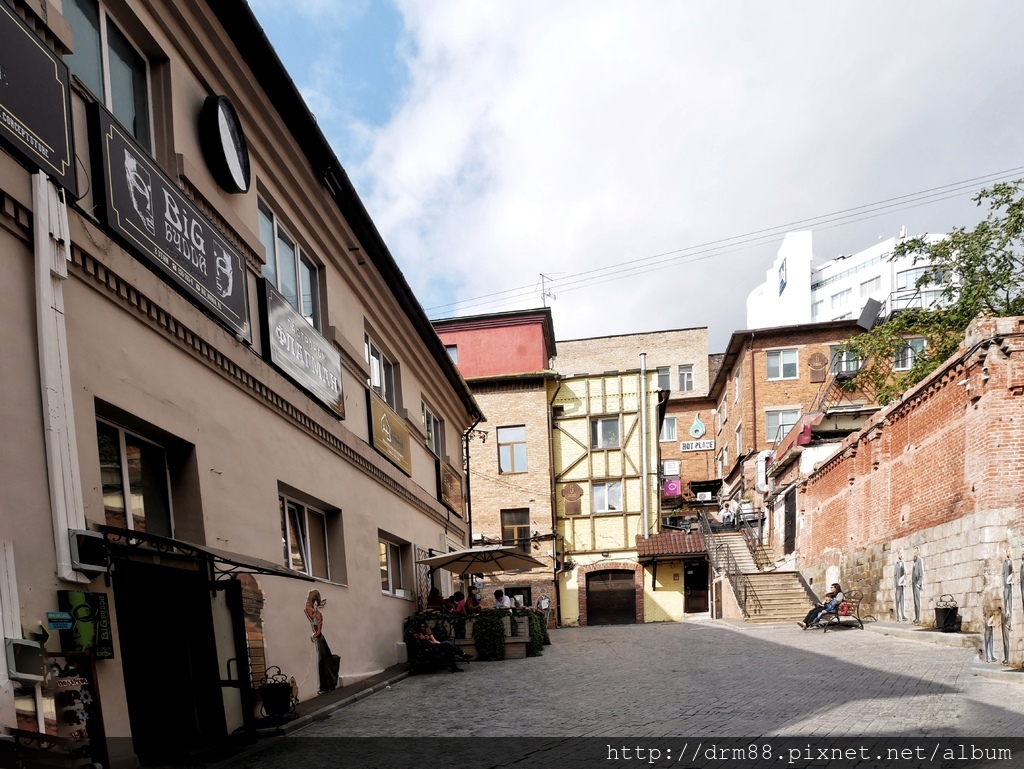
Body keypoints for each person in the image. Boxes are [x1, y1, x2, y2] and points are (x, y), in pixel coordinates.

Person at [305, 590, 340, 693]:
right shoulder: (313, 613)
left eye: (316, 604)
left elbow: (319, 629)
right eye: (314, 604)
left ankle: (325, 686)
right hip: (319, 638)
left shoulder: (319, 615)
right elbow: (307, 609)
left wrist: (314, 635)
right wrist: (309, 599)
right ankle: (325, 686)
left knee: (323, 662)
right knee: (322, 662)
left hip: (320, 638)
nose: (315, 606)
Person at [893, 548, 907, 622]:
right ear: (898, 554)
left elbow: (905, 572)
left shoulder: (903, 563)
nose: (901, 554)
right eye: (900, 553)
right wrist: (894, 586)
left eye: (902, 553)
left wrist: (905, 575)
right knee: (897, 601)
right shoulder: (896, 564)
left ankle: (903, 615)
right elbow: (894, 576)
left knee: (902, 600)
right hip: (897, 585)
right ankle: (898, 616)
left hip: (902, 585)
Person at [911, 546, 925, 625]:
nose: (914, 554)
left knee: (917, 601)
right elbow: (914, 572)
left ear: (918, 552)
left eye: (916, 552)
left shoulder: (920, 560)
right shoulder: (914, 561)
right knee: (915, 601)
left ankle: (918, 618)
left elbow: (921, 573)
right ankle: (916, 618)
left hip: (917, 584)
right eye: (914, 552)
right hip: (913, 583)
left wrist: (919, 583)